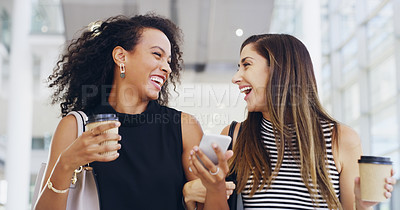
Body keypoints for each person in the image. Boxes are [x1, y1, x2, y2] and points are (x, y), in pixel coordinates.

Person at [187, 34, 396, 209]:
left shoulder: (341, 138)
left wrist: (362, 203)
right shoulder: (235, 136)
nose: (236, 77)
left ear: (279, 70)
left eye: (246, 65)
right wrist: (214, 187)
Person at [34, 14, 205, 210]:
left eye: (169, 61)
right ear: (121, 57)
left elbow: (207, 201)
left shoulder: (184, 128)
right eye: (157, 55)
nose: (166, 68)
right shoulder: (75, 127)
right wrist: (65, 164)